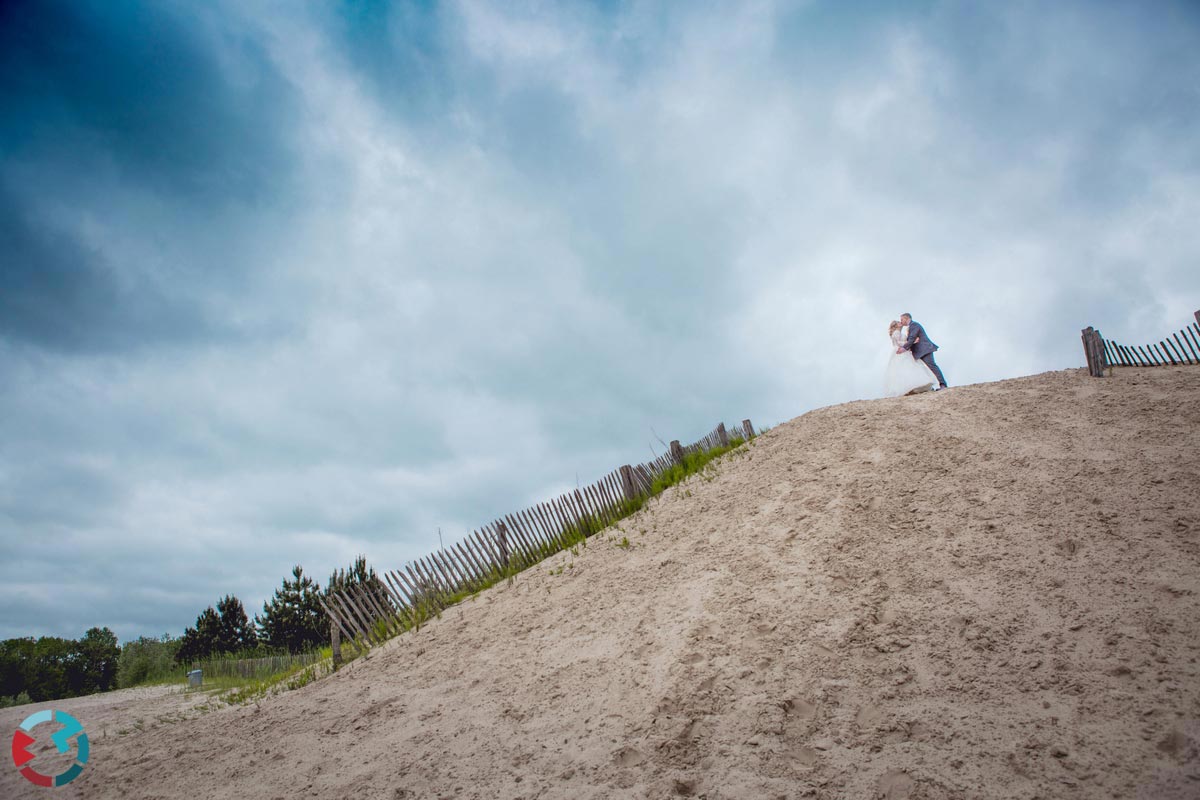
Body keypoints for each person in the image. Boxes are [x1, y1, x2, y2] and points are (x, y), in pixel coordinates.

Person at [884, 320, 937, 397]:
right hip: (901, 351)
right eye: (899, 323)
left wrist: (910, 340)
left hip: (904, 351)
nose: (900, 323)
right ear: (895, 326)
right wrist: (911, 342)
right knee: (908, 367)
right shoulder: (896, 332)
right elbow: (899, 343)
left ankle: (914, 387)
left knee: (910, 367)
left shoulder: (899, 332)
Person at [896, 313, 948, 390]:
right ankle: (928, 387)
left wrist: (904, 348)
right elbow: (912, 339)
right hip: (919, 352)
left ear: (906, 318)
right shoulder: (912, 326)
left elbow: (912, 338)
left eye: (902, 319)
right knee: (922, 369)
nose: (901, 321)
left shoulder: (914, 325)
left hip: (924, 350)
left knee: (932, 366)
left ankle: (943, 385)